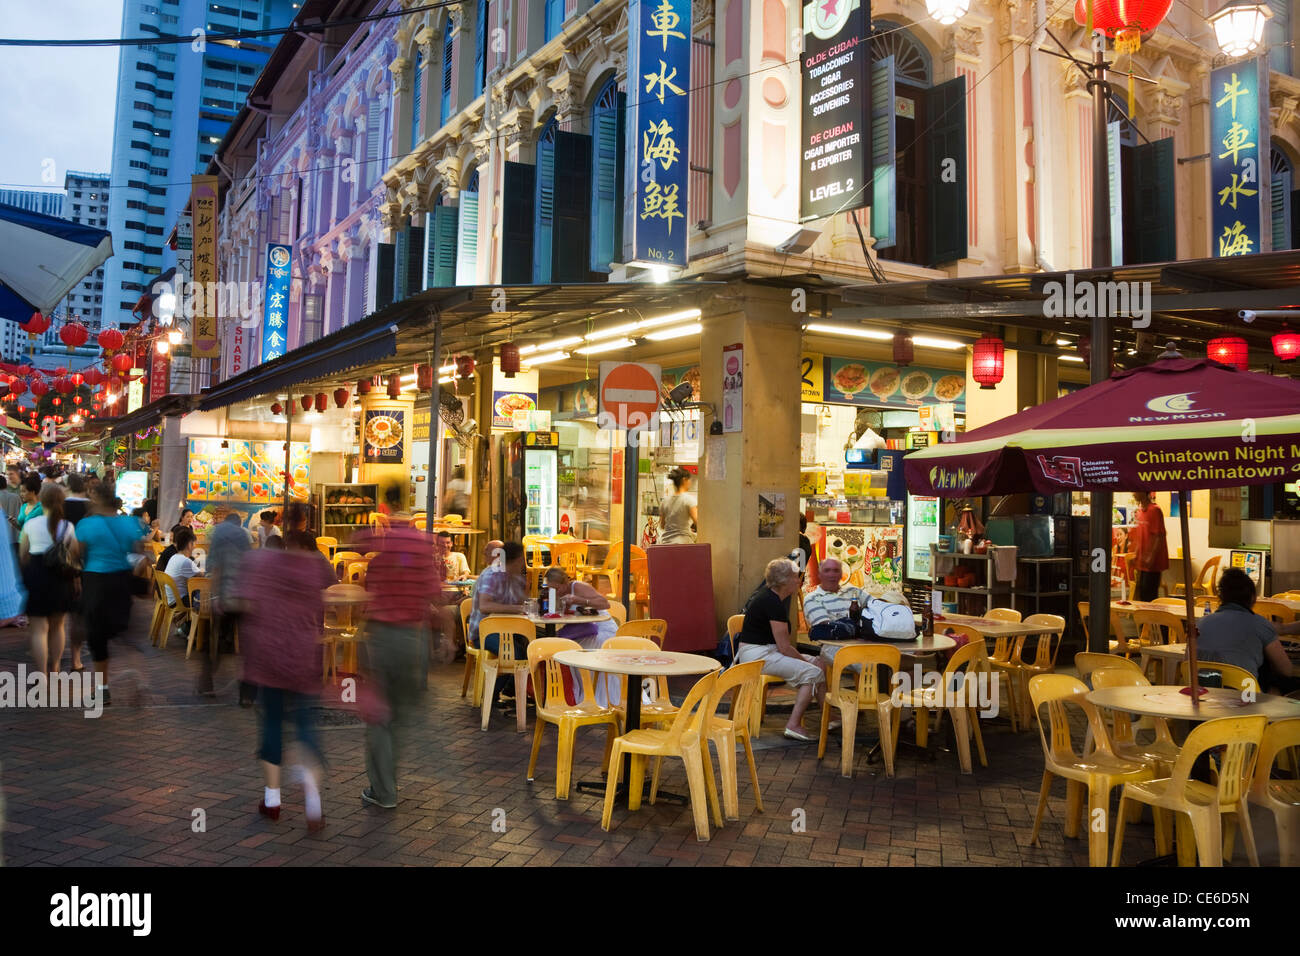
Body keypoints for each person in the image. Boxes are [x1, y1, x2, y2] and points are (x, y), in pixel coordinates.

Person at [235, 526, 335, 830]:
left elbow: (243, 606)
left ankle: (273, 799)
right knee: (306, 727)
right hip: (305, 659)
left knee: (272, 725)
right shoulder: (316, 567)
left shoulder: (262, 567)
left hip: (269, 661)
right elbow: (332, 595)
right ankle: (313, 800)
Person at [355, 508, 444, 809]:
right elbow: (436, 599)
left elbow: (369, 598)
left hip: (382, 639)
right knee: (400, 716)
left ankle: (384, 791)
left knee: (379, 716)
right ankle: (388, 778)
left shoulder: (379, 562)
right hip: (413, 640)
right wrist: (442, 639)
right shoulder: (422, 557)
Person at [735, 558, 828, 741]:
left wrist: (807, 660)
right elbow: (785, 648)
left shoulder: (771, 597)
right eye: (795, 577)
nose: (798, 581)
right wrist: (804, 661)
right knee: (812, 672)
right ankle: (793, 725)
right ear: (784, 581)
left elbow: (782, 648)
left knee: (819, 663)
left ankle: (828, 717)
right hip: (758, 655)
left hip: (764, 651)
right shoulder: (773, 603)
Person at [76, 483, 145, 703]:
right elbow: (138, 553)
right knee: (125, 633)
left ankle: (102, 688)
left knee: (98, 637)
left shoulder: (86, 524)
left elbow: (75, 553)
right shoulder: (129, 523)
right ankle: (138, 678)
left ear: (95, 499)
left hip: (95, 582)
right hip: (121, 582)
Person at [1195, 568, 1300, 694]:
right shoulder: (1260, 624)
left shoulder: (1200, 624)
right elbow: (1286, 670)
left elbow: (1187, 662)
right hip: (1246, 700)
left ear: (1220, 596)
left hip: (1204, 698)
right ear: (1253, 597)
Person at [20, 483, 78, 675]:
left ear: (41, 501)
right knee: (58, 625)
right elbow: (74, 556)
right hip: (60, 578)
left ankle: (42, 674)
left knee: (38, 630)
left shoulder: (30, 524)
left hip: (36, 576)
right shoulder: (68, 527)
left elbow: (23, 555)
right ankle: (55, 667)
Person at [467, 541, 529, 704]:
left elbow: (524, 603)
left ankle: (519, 691)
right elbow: (485, 605)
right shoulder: (492, 575)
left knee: (536, 647)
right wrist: (517, 609)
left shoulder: (517, 578)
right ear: (516, 560)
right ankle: (489, 694)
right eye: (522, 559)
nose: (524, 563)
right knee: (515, 654)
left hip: (509, 630)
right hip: (483, 633)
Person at [201, 511, 252, 698]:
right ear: (238, 523)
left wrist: (214, 597)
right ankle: (246, 693)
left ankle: (206, 683)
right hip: (242, 596)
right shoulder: (244, 536)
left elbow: (215, 568)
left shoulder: (217, 533)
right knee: (246, 644)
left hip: (224, 595)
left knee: (215, 640)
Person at [803, 558, 868, 642]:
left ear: (841, 574)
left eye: (836, 571)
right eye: (827, 571)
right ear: (819, 575)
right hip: (836, 651)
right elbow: (828, 628)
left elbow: (879, 606)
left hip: (867, 647)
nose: (831, 574)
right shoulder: (812, 598)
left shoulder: (853, 591)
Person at [1131, 491, 1168, 602]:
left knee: (1149, 596)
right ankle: (1144, 619)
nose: (1133, 494)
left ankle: (1151, 618)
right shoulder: (1139, 512)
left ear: (1144, 492)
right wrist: (1136, 555)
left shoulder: (1155, 510)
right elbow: (1140, 537)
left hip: (1153, 564)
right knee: (1142, 594)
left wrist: (1150, 557)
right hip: (1142, 563)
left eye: (1135, 491)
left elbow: (1159, 536)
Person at [656, 466, 698, 545]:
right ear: (684, 480)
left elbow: (662, 525)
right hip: (683, 543)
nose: (690, 482)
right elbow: (698, 522)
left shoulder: (665, 501)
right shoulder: (689, 500)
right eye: (689, 480)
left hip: (665, 542)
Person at [163, 527, 199, 608]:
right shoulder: (185, 561)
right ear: (190, 544)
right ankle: (201, 620)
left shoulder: (174, 557)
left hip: (172, 599)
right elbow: (202, 577)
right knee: (209, 595)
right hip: (180, 601)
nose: (195, 547)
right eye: (194, 543)